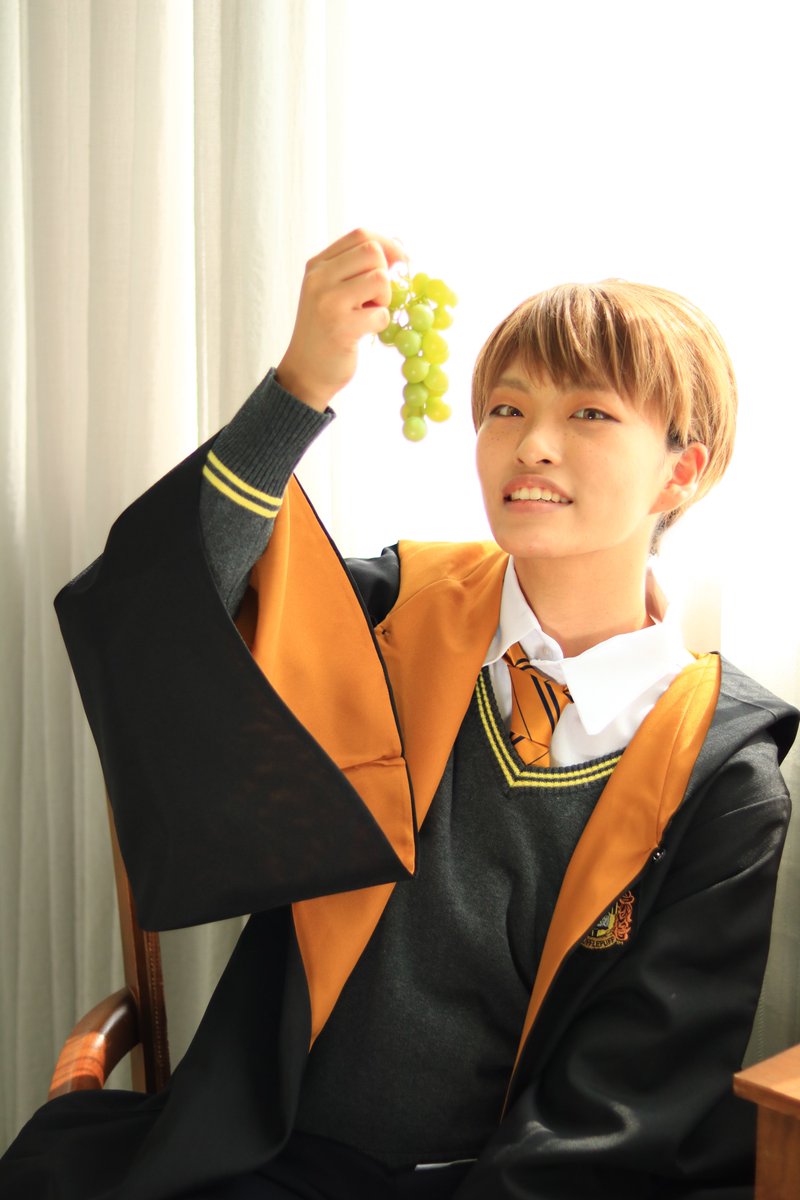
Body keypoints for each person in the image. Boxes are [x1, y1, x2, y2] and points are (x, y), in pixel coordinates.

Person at [1, 228, 797, 1200]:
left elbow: (624, 1101)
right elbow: (165, 611)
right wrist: (300, 387)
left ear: (682, 471)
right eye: (504, 408)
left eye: (588, 412)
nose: (530, 443)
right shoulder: (398, 614)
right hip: (276, 1158)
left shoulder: (721, 774)